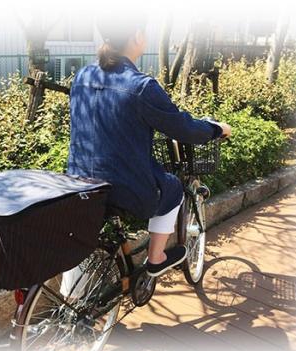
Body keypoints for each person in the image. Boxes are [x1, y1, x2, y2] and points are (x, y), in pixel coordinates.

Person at [66, 15, 231, 278]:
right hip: (123, 189)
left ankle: (73, 294)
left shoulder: (83, 75)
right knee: (173, 188)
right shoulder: (142, 86)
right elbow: (183, 128)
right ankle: (156, 259)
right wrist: (216, 129)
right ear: (137, 36)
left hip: (78, 181)